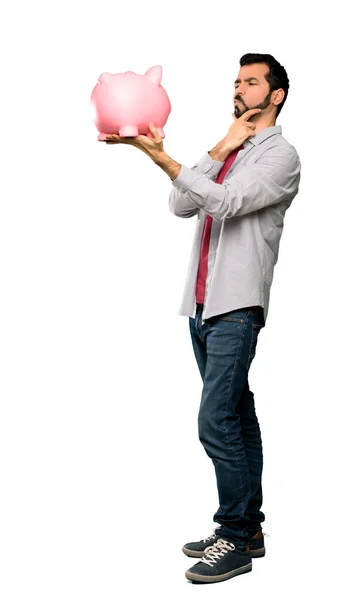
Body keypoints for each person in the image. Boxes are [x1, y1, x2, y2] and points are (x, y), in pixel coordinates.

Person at [103, 52, 301, 584]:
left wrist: (162, 158)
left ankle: (234, 538)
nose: (240, 88)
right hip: (203, 306)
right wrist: (216, 148)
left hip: (236, 308)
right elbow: (180, 205)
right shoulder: (231, 150)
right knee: (237, 415)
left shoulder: (280, 158)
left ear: (275, 95)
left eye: (252, 82)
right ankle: (248, 528)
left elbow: (227, 203)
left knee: (215, 422)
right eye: (237, 81)